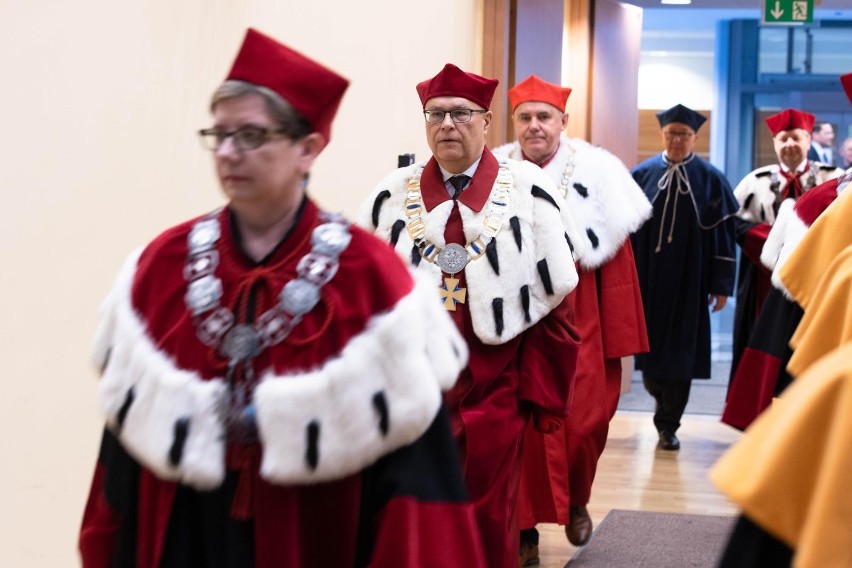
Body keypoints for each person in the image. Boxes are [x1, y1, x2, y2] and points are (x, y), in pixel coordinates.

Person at [78, 29, 488, 568]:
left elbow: (417, 502)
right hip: (189, 539)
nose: (228, 152)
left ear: (307, 148)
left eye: (251, 135)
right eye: (219, 134)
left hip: (317, 539)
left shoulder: (370, 280)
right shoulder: (161, 269)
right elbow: (119, 473)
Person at [358, 64, 581, 568]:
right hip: (412, 392)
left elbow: (558, 301)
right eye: (435, 114)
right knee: (410, 512)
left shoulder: (528, 192)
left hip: (493, 391)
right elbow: (362, 303)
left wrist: (541, 395)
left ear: (485, 122)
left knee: (486, 517)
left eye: (460, 114)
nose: (447, 125)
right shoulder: (390, 197)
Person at [491, 74, 650, 563]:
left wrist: (619, 342)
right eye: (525, 118)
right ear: (513, 123)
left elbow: (617, 264)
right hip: (515, 319)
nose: (534, 126)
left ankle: (577, 496)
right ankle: (524, 536)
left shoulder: (598, 174)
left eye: (544, 117)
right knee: (517, 432)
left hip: (580, 319)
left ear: (563, 121)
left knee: (583, 426)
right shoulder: (492, 171)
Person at [630, 104, 738, 451]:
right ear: (662, 135)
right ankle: (659, 399)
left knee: (682, 355)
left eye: (684, 134)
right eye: (671, 133)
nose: (677, 140)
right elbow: (626, 233)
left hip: (691, 283)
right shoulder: (641, 175)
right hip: (648, 281)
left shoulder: (711, 179)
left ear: (695, 137)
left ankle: (668, 424)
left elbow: (722, 236)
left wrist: (721, 286)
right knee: (650, 356)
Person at [726, 109, 843, 395]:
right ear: (775, 143)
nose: (789, 144)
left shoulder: (834, 178)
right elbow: (733, 222)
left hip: (816, 274)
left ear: (808, 140)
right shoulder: (755, 180)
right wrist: (772, 244)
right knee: (760, 334)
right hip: (762, 276)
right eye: (783, 139)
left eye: (796, 138)